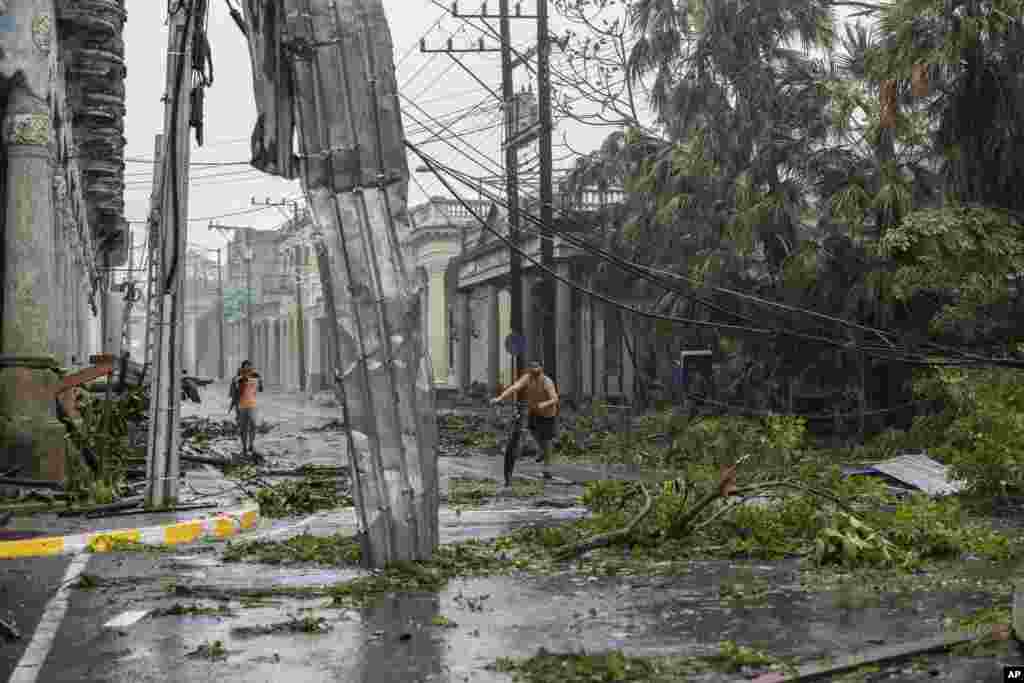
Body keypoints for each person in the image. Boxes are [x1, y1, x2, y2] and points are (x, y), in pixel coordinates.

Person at [490, 360, 559, 478]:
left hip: (548, 413)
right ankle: (541, 450)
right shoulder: (527, 378)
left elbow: (555, 398)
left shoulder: (547, 382)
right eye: (532, 367)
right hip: (534, 410)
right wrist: (500, 398)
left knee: (547, 440)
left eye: (537, 367)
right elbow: (514, 388)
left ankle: (547, 467)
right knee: (533, 431)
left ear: (541, 368)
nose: (534, 370)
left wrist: (544, 404)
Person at [228, 360, 263, 459]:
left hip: (253, 405)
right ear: (242, 368)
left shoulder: (256, 377)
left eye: (250, 367)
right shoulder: (237, 378)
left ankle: (251, 445)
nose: (248, 369)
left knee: (253, 425)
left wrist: (259, 380)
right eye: (246, 367)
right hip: (241, 406)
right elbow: (234, 393)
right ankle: (244, 447)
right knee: (243, 428)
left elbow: (260, 389)